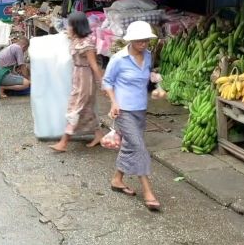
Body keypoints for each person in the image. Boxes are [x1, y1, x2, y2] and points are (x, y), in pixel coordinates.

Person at [102, 21, 161, 211]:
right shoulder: (119, 59)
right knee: (139, 147)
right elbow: (107, 82)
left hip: (140, 110)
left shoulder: (149, 56)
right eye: (139, 41)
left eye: (146, 41)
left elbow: (148, 78)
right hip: (123, 111)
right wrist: (113, 102)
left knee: (129, 146)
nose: (143, 44)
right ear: (131, 40)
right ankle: (148, 191)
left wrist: (156, 84)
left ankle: (117, 179)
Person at [50, 12, 104, 153]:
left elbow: (94, 65)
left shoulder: (87, 43)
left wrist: (103, 83)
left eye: (70, 25)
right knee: (86, 108)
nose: (68, 27)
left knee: (75, 108)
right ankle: (98, 135)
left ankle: (63, 142)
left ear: (76, 26)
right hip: (77, 76)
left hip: (86, 78)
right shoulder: (75, 40)